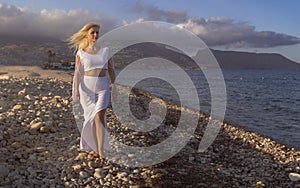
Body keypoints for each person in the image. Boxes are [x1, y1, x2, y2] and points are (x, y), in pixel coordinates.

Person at [68, 23, 115, 160]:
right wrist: (75, 91)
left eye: (97, 33)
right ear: (87, 35)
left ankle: (100, 151)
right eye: (93, 32)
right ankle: (93, 147)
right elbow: (77, 73)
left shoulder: (106, 50)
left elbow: (111, 69)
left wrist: (115, 86)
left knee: (99, 116)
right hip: (86, 89)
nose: (95, 35)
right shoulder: (81, 52)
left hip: (103, 86)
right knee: (90, 119)